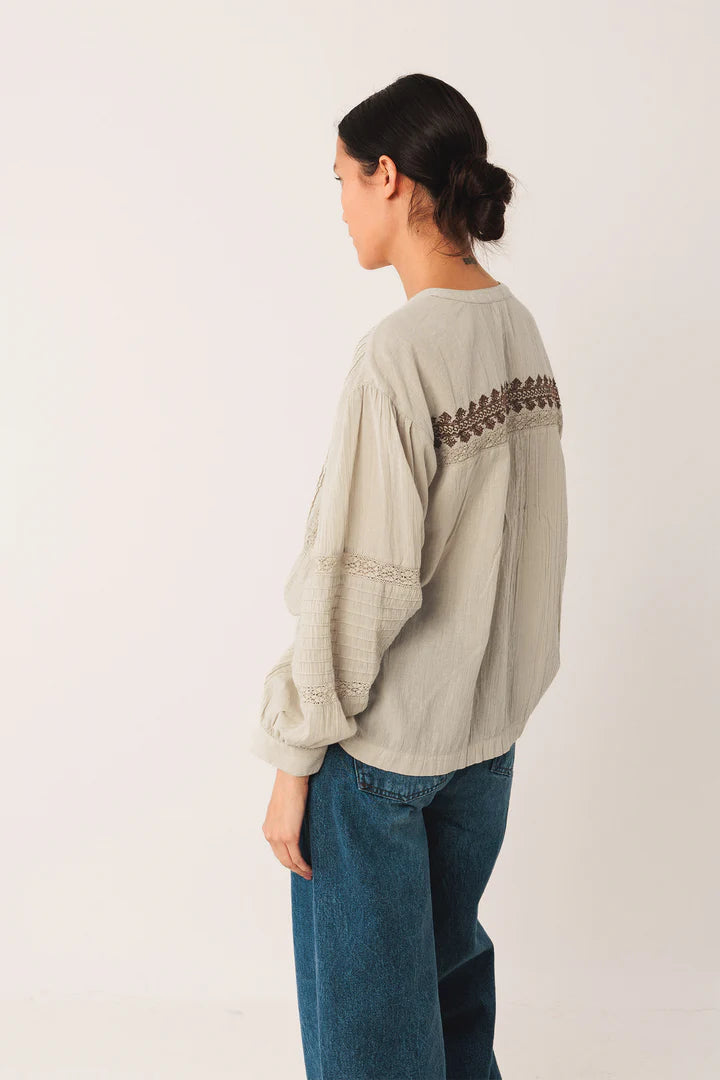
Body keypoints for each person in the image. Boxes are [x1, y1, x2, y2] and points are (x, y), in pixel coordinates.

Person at [249, 72, 568, 1080]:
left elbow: (361, 578)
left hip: (379, 761)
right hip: (483, 748)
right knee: (449, 1018)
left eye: (343, 180)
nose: (341, 206)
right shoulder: (517, 328)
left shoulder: (397, 355)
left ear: (389, 177)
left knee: (373, 1052)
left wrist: (294, 759)